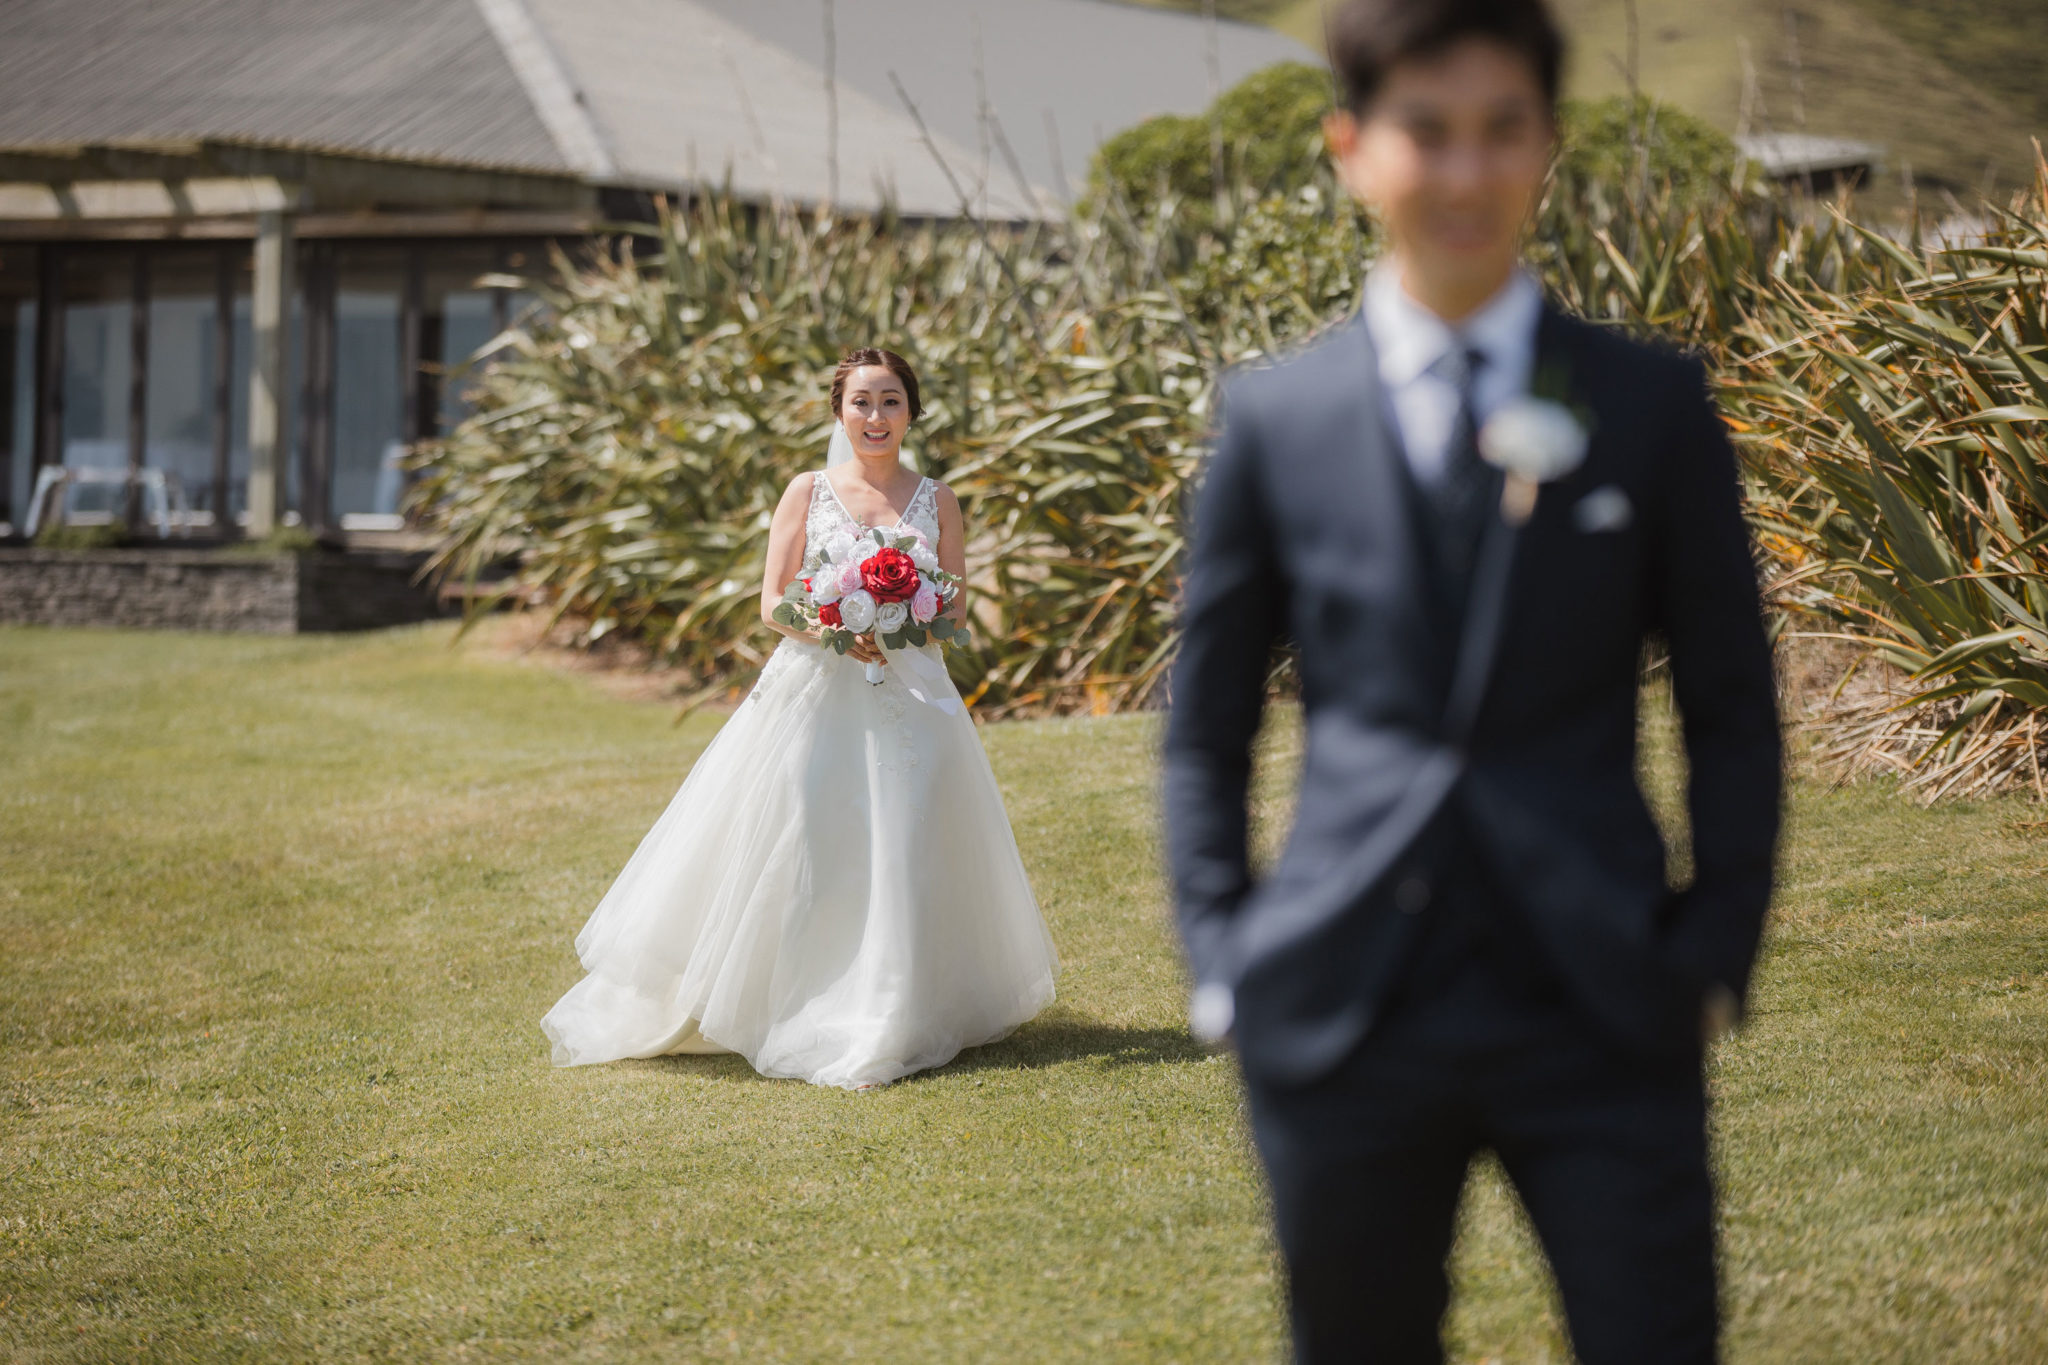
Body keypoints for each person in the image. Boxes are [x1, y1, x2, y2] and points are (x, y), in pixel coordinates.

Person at [1161, 1, 1782, 1359]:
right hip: (1340, 1005)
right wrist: (1224, 959)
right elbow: (1203, 727)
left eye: (1502, 131)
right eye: (1424, 133)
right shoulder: (1276, 419)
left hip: (1605, 1000)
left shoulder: (1651, 406)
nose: (1463, 173)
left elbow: (1732, 706)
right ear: (1350, 149)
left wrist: (1714, 954)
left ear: (1547, 148)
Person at [541, 347, 1058, 1091]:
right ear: (838, 412)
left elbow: (954, 608)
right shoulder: (806, 491)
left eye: (890, 401)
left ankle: (897, 1004)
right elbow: (773, 599)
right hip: (816, 688)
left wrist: (904, 618)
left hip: (912, 690)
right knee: (812, 832)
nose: (875, 417)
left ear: (911, 411)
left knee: (908, 834)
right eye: (862, 402)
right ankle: (789, 996)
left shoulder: (937, 500)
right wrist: (837, 633)